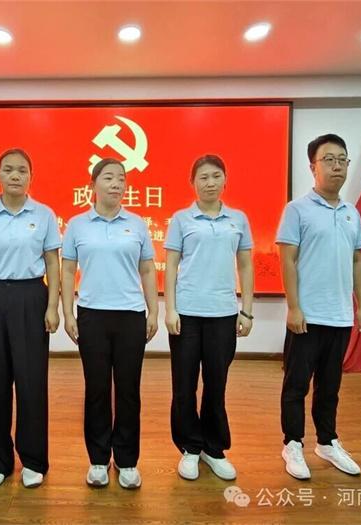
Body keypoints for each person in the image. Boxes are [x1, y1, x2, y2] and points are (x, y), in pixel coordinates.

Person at [0, 149, 61, 489]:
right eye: (8, 170)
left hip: (31, 296)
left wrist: (52, 306)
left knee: (31, 382)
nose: (15, 175)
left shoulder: (44, 215)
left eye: (22, 170)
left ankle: (33, 460)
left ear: (31, 177)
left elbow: (52, 263)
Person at [276, 134, 361, 480]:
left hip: (340, 316)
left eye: (342, 159)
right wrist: (294, 307)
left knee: (330, 386)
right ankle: (292, 443)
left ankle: (327, 442)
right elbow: (287, 260)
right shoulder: (297, 209)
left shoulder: (351, 213)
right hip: (308, 315)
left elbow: (357, 261)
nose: (337, 166)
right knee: (297, 385)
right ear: (313, 167)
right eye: (328, 159)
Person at [61, 157, 158, 489]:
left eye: (121, 179)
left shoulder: (137, 223)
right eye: (108, 178)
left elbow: (147, 269)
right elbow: (67, 270)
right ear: (93, 185)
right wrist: (67, 313)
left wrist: (153, 312)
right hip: (92, 315)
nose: (116, 184)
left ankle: (127, 461)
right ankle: (99, 459)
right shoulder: (77, 225)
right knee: (97, 390)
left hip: (131, 315)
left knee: (129, 391)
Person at [164, 154, 254, 482]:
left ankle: (214, 449)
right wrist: (170, 309)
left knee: (216, 384)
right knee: (184, 385)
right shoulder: (181, 219)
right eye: (203, 177)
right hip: (187, 314)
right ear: (193, 183)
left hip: (223, 314)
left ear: (225, 180)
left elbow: (245, 265)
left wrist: (247, 309)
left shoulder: (238, 219)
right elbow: (170, 265)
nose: (210, 183)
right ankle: (190, 447)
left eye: (216, 176)